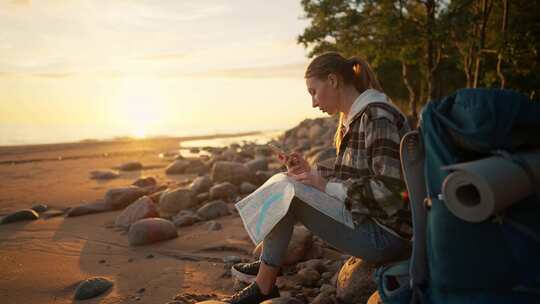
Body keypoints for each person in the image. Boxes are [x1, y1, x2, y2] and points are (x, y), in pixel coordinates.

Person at [227, 52, 412, 304]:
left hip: (386, 237)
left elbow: (391, 193)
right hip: (369, 222)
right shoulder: (355, 118)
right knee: (287, 181)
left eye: (314, 91)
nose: (314, 103)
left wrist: (324, 186)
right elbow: (353, 175)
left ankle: (264, 283)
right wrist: (310, 173)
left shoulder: (377, 117)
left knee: (287, 195)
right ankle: (268, 265)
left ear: (333, 81)